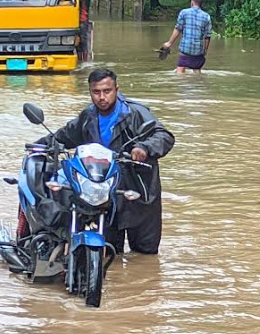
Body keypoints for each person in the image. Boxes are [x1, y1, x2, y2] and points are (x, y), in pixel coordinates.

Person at [38, 69, 174, 254]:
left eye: (107, 91)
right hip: (104, 195)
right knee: (108, 254)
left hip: (139, 193)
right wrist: (39, 147)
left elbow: (163, 136)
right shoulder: (88, 116)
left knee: (145, 256)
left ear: (116, 90)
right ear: (90, 92)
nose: (102, 97)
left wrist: (144, 148)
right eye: (96, 92)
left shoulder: (136, 113)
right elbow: (65, 136)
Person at [161, 0, 213, 73]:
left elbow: (178, 29)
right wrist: (205, 50)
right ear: (200, 3)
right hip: (198, 50)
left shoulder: (184, 13)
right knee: (197, 71)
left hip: (185, 48)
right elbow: (207, 36)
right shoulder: (206, 16)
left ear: (192, 2)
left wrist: (169, 43)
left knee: (180, 70)